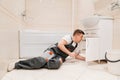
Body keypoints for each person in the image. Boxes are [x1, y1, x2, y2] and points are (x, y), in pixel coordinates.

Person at [7, 29, 85, 71]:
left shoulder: (76, 45)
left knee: (56, 64)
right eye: (81, 36)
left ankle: (40, 63)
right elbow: (60, 45)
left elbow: (76, 55)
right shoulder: (68, 37)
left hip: (60, 56)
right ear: (77, 34)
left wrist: (85, 59)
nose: (82, 39)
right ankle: (17, 64)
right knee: (42, 60)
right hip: (53, 51)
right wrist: (69, 53)